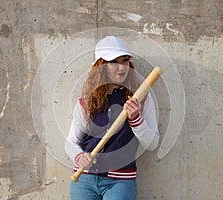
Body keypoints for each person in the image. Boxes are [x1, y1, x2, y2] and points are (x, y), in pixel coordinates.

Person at [65, 36, 159, 200]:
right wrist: (79, 157)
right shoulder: (87, 100)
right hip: (84, 180)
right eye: (114, 62)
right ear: (100, 66)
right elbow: (71, 142)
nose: (121, 67)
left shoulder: (140, 98)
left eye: (125, 60)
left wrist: (135, 119)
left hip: (120, 182)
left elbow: (152, 144)